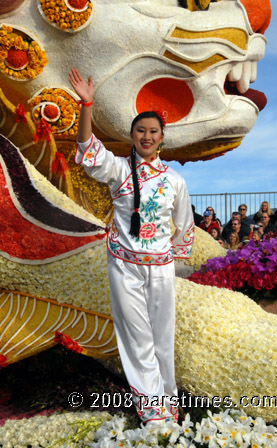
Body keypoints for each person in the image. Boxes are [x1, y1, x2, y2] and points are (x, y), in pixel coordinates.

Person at [69, 68, 194, 424]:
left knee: (161, 339)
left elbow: (185, 226)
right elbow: (87, 151)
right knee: (136, 339)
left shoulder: (174, 180)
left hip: (161, 269)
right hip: (124, 267)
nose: (147, 136)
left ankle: (169, 400)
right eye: (141, 130)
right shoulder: (120, 170)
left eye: (153, 131)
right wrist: (87, 104)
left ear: (162, 137)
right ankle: (152, 411)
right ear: (132, 136)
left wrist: (165, 252)